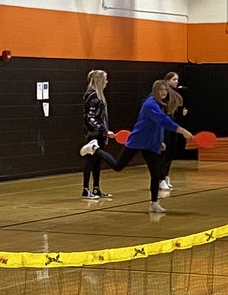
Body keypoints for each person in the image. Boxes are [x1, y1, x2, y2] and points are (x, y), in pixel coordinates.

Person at [85, 79, 192, 213]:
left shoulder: (159, 105)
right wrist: (182, 130)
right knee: (118, 166)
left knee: (156, 174)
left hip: (150, 145)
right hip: (137, 141)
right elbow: (162, 121)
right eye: (160, 90)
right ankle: (95, 148)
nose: (163, 92)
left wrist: (159, 142)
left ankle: (154, 203)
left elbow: (156, 127)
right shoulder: (150, 105)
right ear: (155, 91)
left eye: (165, 90)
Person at [79, 70, 116, 199]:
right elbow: (90, 118)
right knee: (91, 160)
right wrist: (104, 131)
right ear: (100, 80)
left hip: (99, 134)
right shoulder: (93, 96)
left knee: (97, 162)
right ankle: (85, 189)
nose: (107, 82)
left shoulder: (99, 95)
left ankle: (96, 188)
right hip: (93, 134)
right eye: (105, 79)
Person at [160, 71, 188, 194]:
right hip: (165, 128)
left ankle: (166, 176)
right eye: (174, 79)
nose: (176, 82)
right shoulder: (163, 95)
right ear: (167, 81)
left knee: (171, 153)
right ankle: (160, 179)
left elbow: (178, 112)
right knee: (164, 154)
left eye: (177, 80)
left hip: (174, 128)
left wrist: (183, 113)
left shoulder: (178, 95)